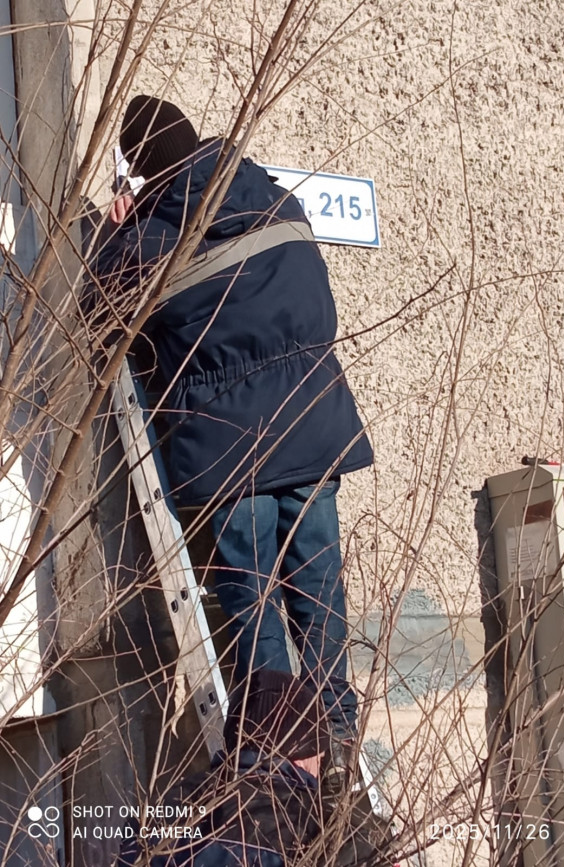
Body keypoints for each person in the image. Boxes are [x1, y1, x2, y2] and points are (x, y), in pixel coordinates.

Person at [93, 96, 374, 762]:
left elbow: (97, 307)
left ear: (141, 168)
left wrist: (113, 232)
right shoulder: (277, 200)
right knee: (318, 590)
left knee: (253, 601)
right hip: (311, 428)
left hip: (232, 448)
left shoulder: (157, 236)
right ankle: (337, 732)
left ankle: (285, 756)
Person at [115, 670, 393, 867]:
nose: (320, 768)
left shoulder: (160, 814)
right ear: (302, 753)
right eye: (319, 756)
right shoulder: (336, 833)